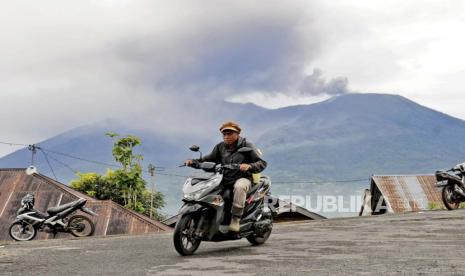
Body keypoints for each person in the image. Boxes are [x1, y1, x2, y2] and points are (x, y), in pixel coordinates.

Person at [185, 121, 267, 232]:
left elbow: (262, 163)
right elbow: (209, 158)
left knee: (239, 187)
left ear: (237, 133)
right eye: (224, 134)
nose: (226, 136)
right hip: (224, 178)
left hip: (244, 178)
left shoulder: (247, 145)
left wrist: (249, 166)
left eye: (229, 134)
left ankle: (235, 219)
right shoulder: (220, 147)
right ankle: (212, 217)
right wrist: (194, 161)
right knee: (210, 190)